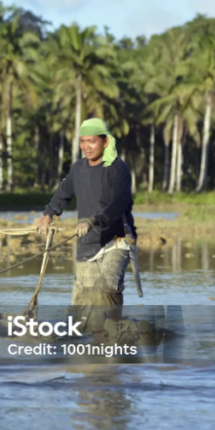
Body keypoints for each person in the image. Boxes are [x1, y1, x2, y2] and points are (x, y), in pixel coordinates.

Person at [34, 118, 136, 344]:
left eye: (91, 141)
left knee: (108, 287)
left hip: (115, 240)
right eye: (82, 141)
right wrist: (48, 214)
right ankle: (82, 343)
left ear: (105, 142)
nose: (87, 146)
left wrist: (94, 220)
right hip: (87, 243)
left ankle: (111, 338)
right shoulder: (78, 168)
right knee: (83, 301)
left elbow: (119, 202)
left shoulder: (117, 169)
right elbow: (63, 192)